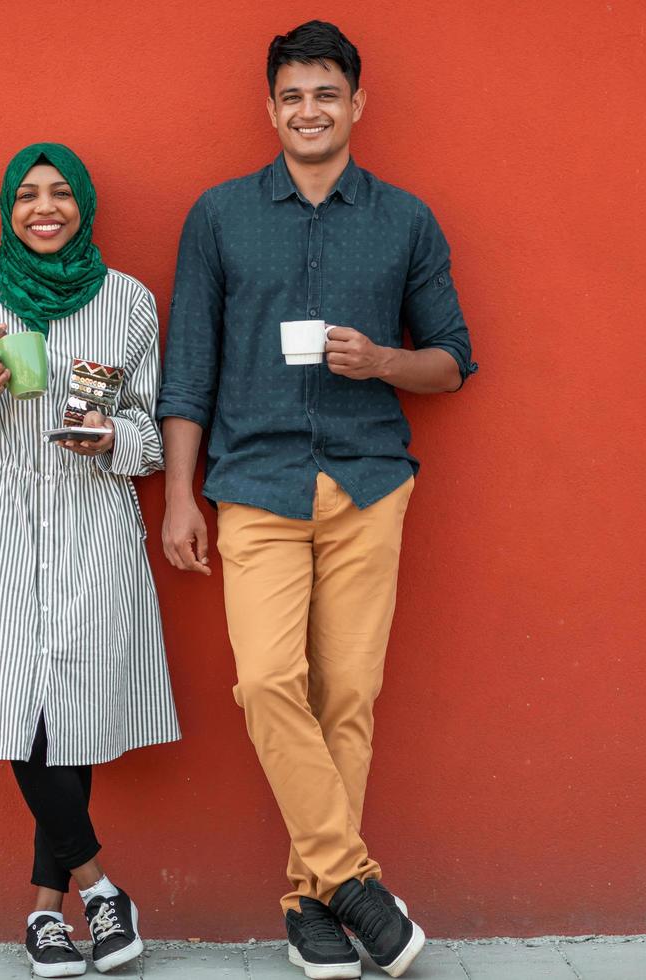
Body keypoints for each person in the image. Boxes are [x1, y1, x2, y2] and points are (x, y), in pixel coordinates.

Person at [156, 21, 478, 980]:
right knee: (265, 683)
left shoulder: (407, 220)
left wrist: (383, 361)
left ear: (356, 105)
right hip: (253, 485)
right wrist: (179, 497)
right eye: (292, 96)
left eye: (326, 95)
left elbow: (455, 358)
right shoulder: (218, 217)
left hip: (370, 481)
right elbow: (189, 372)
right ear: (271, 108)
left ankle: (310, 901)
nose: (309, 111)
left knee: (350, 695)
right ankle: (355, 883)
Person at [0, 142, 179, 978]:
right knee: (16, 705)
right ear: (7, 206)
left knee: (68, 709)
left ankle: (42, 915)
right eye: (28, 194)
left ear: (84, 204)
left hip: (92, 526)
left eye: (61, 193)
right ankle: (100, 889)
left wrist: (112, 438)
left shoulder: (128, 302)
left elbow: (152, 436)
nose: (44, 208)